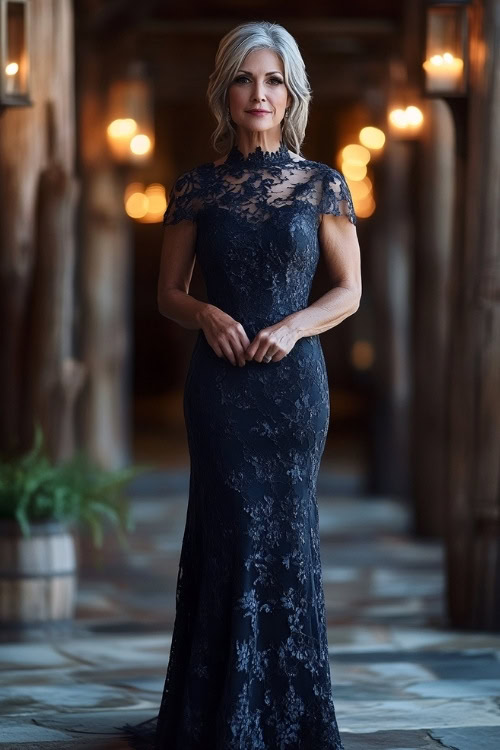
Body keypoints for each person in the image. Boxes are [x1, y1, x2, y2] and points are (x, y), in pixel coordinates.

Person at [119, 18, 361, 750]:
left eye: (274, 81)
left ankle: (289, 715)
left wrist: (292, 327)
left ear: (292, 95)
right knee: (225, 533)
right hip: (219, 392)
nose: (260, 93)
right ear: (225, 93)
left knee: (288, 536)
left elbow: (349, 291)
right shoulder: (196, 188)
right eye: (246, 79)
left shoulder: (322, 184)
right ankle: (214, 710)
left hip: (294, 392)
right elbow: (167, 291)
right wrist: (203, 313)